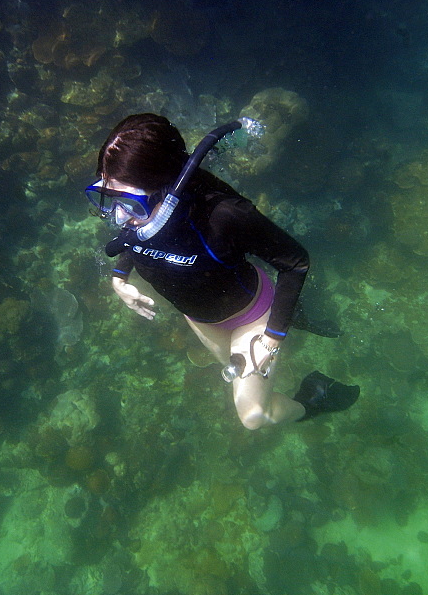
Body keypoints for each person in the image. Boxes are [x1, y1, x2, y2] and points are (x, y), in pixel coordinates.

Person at [86, 113, 358, 429]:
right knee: (238, 384)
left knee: (254, 415)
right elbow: (135, 241)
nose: (119, 217)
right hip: (201, 320)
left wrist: (273, 336)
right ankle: (294, 322)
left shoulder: (224, 214)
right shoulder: (140, 215)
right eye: (105, 197)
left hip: (250, 313)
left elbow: (295, 261)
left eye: (131, 204)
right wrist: (119, 278)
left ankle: (314, 399)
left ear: (167, 192)